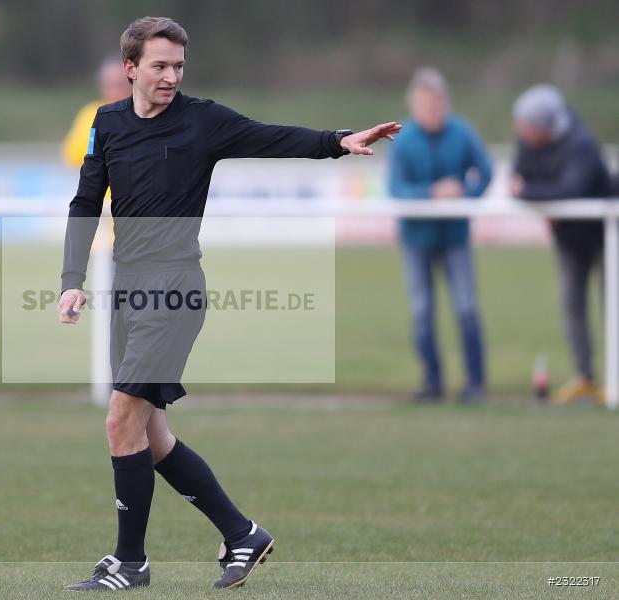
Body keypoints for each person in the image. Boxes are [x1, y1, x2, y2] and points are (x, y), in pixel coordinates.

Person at [57, 16, 400, 591]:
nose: (171, 76)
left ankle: (130, 563)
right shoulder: (107, 122)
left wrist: (339, 142)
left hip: (174, 289)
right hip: (126, 288)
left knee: (121, 421)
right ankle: (242, 535)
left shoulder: (204, 120)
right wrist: (72, 277)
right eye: (160, 66)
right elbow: (85, 200)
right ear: (131, 69)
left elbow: (275, 136)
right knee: (150, 435)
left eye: (178, 66)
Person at [388, 67, 492, 403]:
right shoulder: (402, 139)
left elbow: (486, 172)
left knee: (465, 308)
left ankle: (475, 383)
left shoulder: (462, 132)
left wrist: (465, 195)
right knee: (421, 311)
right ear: (415, 106)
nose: (432, 109)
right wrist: (432, 193)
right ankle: (432, 381)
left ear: (445, 102)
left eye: (437, 103)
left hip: (455, 236)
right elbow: (396, 189)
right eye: (425, 104)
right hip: (416, 240)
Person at [512, 84, 613, 405]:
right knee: (573, 306)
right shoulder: (526, 143)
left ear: (542, 126)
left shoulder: (580, 143)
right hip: (569, 240)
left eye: (525, 126)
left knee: (614, 307)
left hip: (608, 236)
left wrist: (531, 192)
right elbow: (519, 178)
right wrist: (540, 195)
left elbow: (569, 188)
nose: (520, 132)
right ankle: (585, 377)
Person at [61, 56, 131, 169]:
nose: (115, 93)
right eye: (109, 85)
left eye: (121, 85)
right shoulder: (90, 114)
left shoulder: (144, 114)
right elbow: (72, 155)